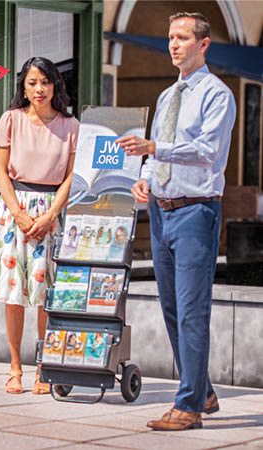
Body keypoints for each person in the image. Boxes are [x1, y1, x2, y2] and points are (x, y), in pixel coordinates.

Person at [117, 12, 235, 431]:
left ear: (203, 45)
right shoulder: (168, 96)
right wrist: (143, 181)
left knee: (191, 311)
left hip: (196, 211)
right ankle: (201, 390)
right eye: (170, 37)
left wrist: (156, 148)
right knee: (171, 308)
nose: (174, 44)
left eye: (183, 38)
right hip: (163, 211)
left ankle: (189, 406)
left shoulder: (217, 95)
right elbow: (153, 156)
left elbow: (207, 151)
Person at [0, 57, 79, 395]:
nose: (39, 89)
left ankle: (43, 365)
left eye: (46, 82)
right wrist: (19, 214)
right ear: (23, 85)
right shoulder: (11, 120)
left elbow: (71, 177)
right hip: (15, 210)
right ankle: (15, 366)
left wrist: (50, 214)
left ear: (56, 86)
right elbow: (1, 170)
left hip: (51, 211)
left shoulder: (70, 125)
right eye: (33, 82)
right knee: (15, 294)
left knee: (47, 294)